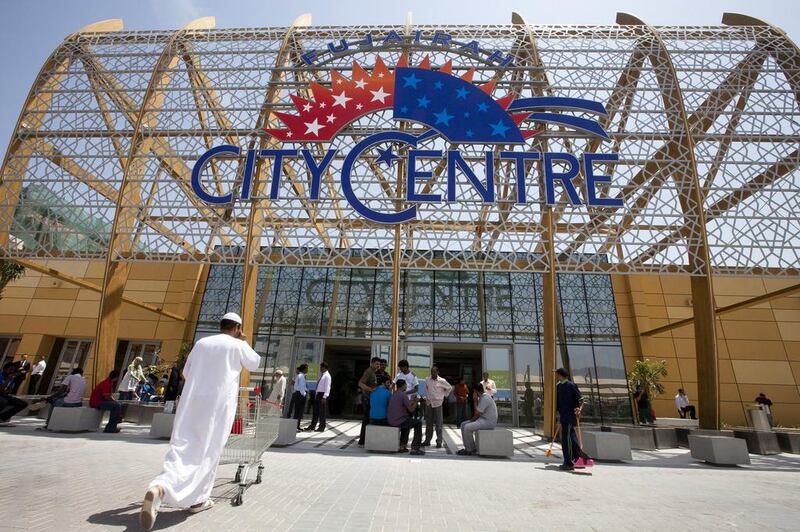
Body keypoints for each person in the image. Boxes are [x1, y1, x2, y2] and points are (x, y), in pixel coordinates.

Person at [140, 312, 260, 530]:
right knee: (208, 450)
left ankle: (160, 486)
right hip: (217, 406)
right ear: (237, 328)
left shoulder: (202, 343)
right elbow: (254, 363)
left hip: (192, 403)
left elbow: (186, 372)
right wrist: (243, 340)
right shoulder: (237, 345)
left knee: (183, 446)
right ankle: (198, 500)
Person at [555, 367, 593, 471]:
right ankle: (579, 458)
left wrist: (579, 409)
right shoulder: (558, 387)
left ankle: (569, 462)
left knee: (566, 439)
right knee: (571, 437)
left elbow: (581, 399)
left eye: (556, 374)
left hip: (570, 416)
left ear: (560, 375)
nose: (555, 376)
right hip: (563, 416)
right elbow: (557, 403)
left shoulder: (571, 385)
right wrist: (558, 415)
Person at [457, 382, 497, 456]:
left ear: (475, 391)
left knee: (467, 427)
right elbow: (478, 412)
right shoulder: (483, 397)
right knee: (463, 424)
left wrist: (475, 400)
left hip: (488, 421)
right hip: (483, 419)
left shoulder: (485, 398)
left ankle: (470, 449)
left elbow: (477, 414)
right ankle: (469, 447)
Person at [388, 379, 425, 455]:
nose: (406, 386)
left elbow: (405, 404)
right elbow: (411, 410)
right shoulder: (403, 395)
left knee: (408, 422)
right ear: (402, 386)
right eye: (405, 385)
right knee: (418, 423)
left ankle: (402, 446)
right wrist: (416, 401)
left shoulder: (394, 393)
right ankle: (415, 448)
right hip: (398, 420)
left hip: (392, 419)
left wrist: (412, 401)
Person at [423, 365, 453, 448]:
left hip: (438, 403)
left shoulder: (442, 381)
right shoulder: (427, 379)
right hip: (429, 403)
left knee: (439, 423)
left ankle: (439, 441)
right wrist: (427, 396)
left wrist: (444, 396)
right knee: (429, 422)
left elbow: (449, 388)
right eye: (432, 371)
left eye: (434, 371)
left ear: (438, 372)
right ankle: (427, 440)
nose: (433, 373)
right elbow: (427, 388)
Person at [357, 357, 381, 446]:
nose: (378, 366)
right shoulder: (369, 372)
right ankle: (362, 440)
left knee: (368, 419)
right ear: (372, 363)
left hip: (369, 399)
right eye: (377, 364)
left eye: (379, 364)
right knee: (366, 419)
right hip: (366, 398)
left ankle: (364, 439)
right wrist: (370, 390)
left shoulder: (373, 372)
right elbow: (360, 383)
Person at [90, 369, 123, 433]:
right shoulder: (107, 383)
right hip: (97, 402)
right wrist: (115, 401)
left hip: (98, 401)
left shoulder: (107, 382)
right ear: (116, 377)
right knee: (116, 406)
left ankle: (111, 426)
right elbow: (107, 396)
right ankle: (111, 428)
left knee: (116, 405)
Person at [305, 362, 331, 432]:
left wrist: (325, 397)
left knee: (322, 412)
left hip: (322, 395)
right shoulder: (322, 375)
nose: (320, 369)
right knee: (315, 411)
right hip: (319, 394)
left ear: (324, 368)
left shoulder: (327, 376)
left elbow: (327, 387)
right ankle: (312, 425)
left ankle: (322, 427)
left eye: (321, 367)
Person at [286, 364, 308, 431]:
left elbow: (302, 386)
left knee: (298, 411)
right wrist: (304, 394)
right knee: (298, 411)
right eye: (307, 369)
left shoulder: (300, 376)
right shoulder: (301, 376)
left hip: (298, 394)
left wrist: (306, 390)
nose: (307, 370)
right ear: (304, 369)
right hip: (300, 395)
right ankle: (295, 427)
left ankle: (297, 426)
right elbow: (301, 387)